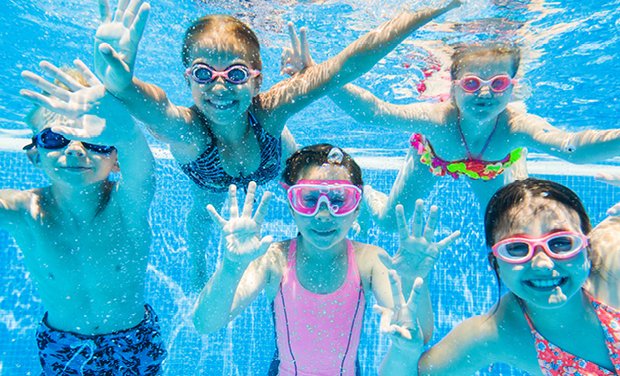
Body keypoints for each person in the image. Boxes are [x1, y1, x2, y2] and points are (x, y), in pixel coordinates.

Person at [92, 0, 462, 289]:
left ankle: (356, 215)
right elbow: (154, 107)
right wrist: (122, 84)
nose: (219, 87)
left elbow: (344, 66)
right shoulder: (189, 132)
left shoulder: (268, 112)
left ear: (256, 80)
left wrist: (424, 13)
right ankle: (196, 262)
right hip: (210, 178)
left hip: (274, 154)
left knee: (316, 178)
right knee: (201, 215)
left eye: (235, 74)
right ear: (188, 79)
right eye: (203, 73)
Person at [282, 34, 620, 230]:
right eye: (472, 84)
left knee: (513, 226)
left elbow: (571, 147)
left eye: (498, 83)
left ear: (512, 88)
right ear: (453, 87)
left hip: (494, 168)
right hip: (433, 160)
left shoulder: (516, 125)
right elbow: (375, 113)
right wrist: (317, 75)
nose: (485, 94)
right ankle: (366, 195)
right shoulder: (437, 119)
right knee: (387, 223)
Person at [192, 144, 459, 375]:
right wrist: (231, 266)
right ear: (291, 207)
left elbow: (417, 333)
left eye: (338, 200)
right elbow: (205, 323)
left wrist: (412, 279)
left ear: (356, 210)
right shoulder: (274, 259)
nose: (323, 214)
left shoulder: (371, 261)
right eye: (308, 199)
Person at [11, 60, 166, 374]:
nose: (76, 149)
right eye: (55, 138)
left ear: (116, 159)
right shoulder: (23, 211)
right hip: (63, 346)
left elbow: (144, 170)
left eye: (95, 140)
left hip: (132, 342)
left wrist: (121, 124)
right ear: (34, 154)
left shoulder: (127, 205)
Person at [379, 177, 620, 375]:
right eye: (517, 248)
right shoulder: (499, 332)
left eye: (560, 243)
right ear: (495, 262)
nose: (543, 264)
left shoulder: (613, 257)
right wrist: (404, 351)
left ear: (587, 247)